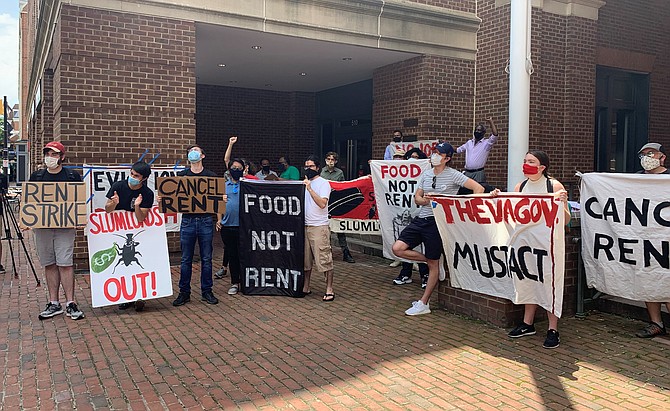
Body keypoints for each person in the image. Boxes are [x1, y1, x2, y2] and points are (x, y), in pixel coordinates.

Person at [393, 142, 484, 316]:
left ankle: (423, 303)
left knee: (433, 263)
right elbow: (417, 198)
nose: (434, 155)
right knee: (398, 248)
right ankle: (431, 262)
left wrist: (458, 207)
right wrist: (425, 200)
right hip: (421, 219)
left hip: (437, 223)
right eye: (434, 152)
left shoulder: (454, 175)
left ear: (447, 158)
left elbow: (478, 188)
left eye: (439, 153)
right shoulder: (426, 174)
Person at [507, 150, 570, 349]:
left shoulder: (554, 186)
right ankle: (528, 323)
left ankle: (553, 329)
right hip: (526, 244)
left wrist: (561, 203)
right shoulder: (521, 186)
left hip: (548, 245)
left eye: (531, 161)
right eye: (525, 160)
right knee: (528, 280)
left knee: (550, 282)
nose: (526, 164)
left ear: (542, 167)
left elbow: (566, 220)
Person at [29, 141, 85, 320]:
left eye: (54, 154)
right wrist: (27, 218)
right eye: (48, 153)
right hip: (43, 228)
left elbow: (79, 200)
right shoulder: (37, 177)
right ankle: (54, 302)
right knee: (49, 263)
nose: (50, 157)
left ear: (62, 157)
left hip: (65, 228)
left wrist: (79, 218)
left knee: (65, 263)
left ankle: (70, 302)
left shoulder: (72, 176)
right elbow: (31, 202)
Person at [172, 145, 220, 306]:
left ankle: (207, 291)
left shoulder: (211, 176)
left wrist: (221, 204)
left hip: (206, 220)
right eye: (191, 151)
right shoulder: (182, 176)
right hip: (187, 221)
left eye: (196, 150)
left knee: (207, 258)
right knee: (186, 259)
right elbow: (174, 198)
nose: (193, 153)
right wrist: (164, 200)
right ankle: (184, 293)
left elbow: (216, 199)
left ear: (203, 156)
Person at [105, 161, 154, 312]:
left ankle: (139, 297)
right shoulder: (118, 186)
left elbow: (141, 218)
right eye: (131, 173)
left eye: (136, 176)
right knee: (122, 266)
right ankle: (125, 298)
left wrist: (137, 206)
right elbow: (107, 209)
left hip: (137, 232)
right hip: (118, 230)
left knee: (138, 264)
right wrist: (114, 203)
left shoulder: (147, 193)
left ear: (143, 179)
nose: (132, 177)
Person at [634, 142, 669, 338]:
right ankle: (656, 323)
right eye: (643, 154)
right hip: (643, 240)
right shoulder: (636, 179)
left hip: (665, 239)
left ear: (661, 156)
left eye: (651, 153)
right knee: (649, 281)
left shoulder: (668, 178)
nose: (646, 157)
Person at [392, 148, 430, 289]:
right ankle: (406, 273)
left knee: (419, 247)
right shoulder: (401, 173)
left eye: (416, 157)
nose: (412, 159)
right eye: (410, 157)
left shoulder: (426, 175)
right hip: (402, 214)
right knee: (406, 246)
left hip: (420, 215)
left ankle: (425, 274)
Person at [301, 155, 335, 301]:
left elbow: (322, 203)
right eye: (306, 166)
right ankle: (306, 286)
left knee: (324, 259)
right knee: (305, 260)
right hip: (304, 225)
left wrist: (310, 189)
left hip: (319, 226)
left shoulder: (323, 184)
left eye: (311, 166)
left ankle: (329, 288)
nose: (308, 169)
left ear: (317, 168)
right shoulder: (303, 183)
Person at [320, 151, 355, 264]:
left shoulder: (339, 173)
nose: (330, 161)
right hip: (325, 204)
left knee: (340, 229)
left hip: (337, 203)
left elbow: (342, 187)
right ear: (326, 160)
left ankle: (346, 253)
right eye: (328, 159)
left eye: (332, 160)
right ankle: (327, 253)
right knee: (326, 230)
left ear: (336, 161)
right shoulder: (321, 172)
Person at [217, 158, 244, 296]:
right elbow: (218, 205)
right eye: (234, 167)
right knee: (232, 255)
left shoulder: (247, 185)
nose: (236, 170)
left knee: (243, 255)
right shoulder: (224, 185)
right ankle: (235, 282)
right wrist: (219, 220)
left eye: (239, 168)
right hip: (227, 226)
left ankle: (245, 281)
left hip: (243, 227)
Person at [456, 117, 499, 192]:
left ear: (483, 132)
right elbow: (457, 150)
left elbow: (495, 135)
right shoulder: (469, 143)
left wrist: (491, 122)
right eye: (476, 130)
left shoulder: (486, 143)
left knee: (479, 192)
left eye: (479, 130)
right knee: (464, 192)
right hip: (467, 172)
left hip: (478, 173)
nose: (477, 131)